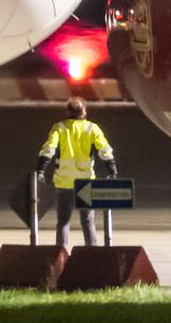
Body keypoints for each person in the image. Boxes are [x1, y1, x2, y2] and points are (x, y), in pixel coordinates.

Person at [37, 97, 117, 249]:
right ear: (84, 112)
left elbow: (49, 149)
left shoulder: (59, 128)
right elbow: (104, 150)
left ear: (67, 112)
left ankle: (60, 252)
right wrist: (112, 169)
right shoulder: (92, 128)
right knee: (88, 221)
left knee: (62, 222)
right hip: (86, 181)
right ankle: (91, 252)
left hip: (64, 182)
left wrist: (41, 169)